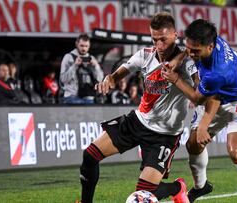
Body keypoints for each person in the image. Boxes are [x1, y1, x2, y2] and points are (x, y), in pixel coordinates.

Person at [78, 12, 197, 203]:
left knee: (142, 195)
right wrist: (109, 80)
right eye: (154, 39)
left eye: (163, 40)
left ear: (175, 35)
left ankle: (177, 187)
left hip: (164, 136)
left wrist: (180, 70)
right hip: (137, 122)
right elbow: (117, 75)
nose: (159, 45)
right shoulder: (145, 55)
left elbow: (199, 93)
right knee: (90, 155)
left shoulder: (188, 63)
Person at [162, 19, 237, 203]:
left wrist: (175, 78)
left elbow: (199, 98)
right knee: (193, 144)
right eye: (190, 48)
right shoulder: (209, 40)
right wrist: (177, 60)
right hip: (218, 95)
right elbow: (190, 50)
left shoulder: (217, 72)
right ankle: (201, 187)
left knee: (236, 151)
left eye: (196, 51)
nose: (192, 54)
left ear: (210, 46)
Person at [60, 33, 104, 104]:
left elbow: (100, 79)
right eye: (82, 46)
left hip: (88, 97)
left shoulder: (91, 58)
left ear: (89, 46)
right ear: (76, 44)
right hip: (72, 96)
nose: (84, 49)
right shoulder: (68, 57)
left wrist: (96, 66)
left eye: (86, 46)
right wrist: (75, 65)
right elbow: (63, 80)